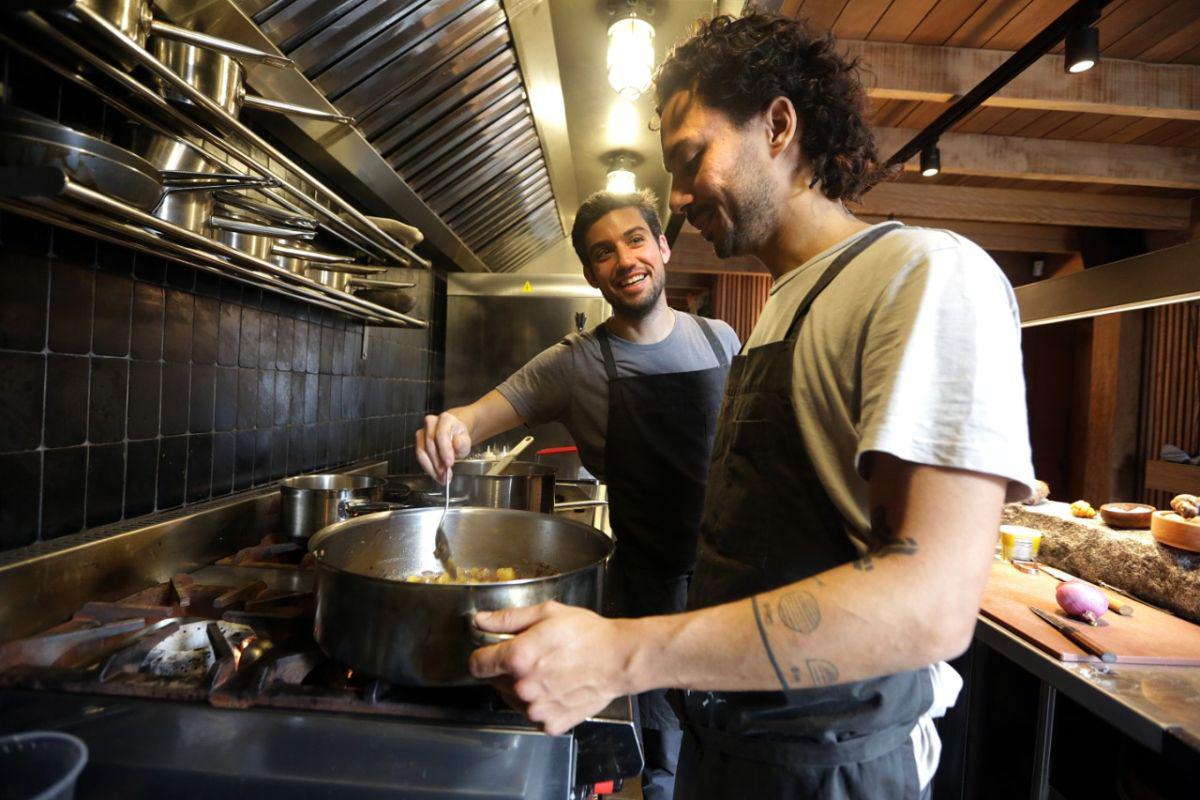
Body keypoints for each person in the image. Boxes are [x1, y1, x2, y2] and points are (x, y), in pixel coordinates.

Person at [467, 12, 1036, 799]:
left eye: (692, 157)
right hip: (727, 744)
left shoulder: (923, 276)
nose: (678, 194)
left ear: (778, 125)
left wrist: (625, 655)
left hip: (827, 765)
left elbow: (932, 605)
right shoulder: (777, 311)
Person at [415, 189, 740, 800]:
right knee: (666, 766)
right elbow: (477, 416)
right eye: (604, 252)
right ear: (592, 274)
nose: (625, 259)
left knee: (734, 753)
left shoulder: (722, 340)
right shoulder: (574, 364)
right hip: (648, 602)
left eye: (636, 240)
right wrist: (451, 427)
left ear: (663, 246)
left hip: (733, 591)